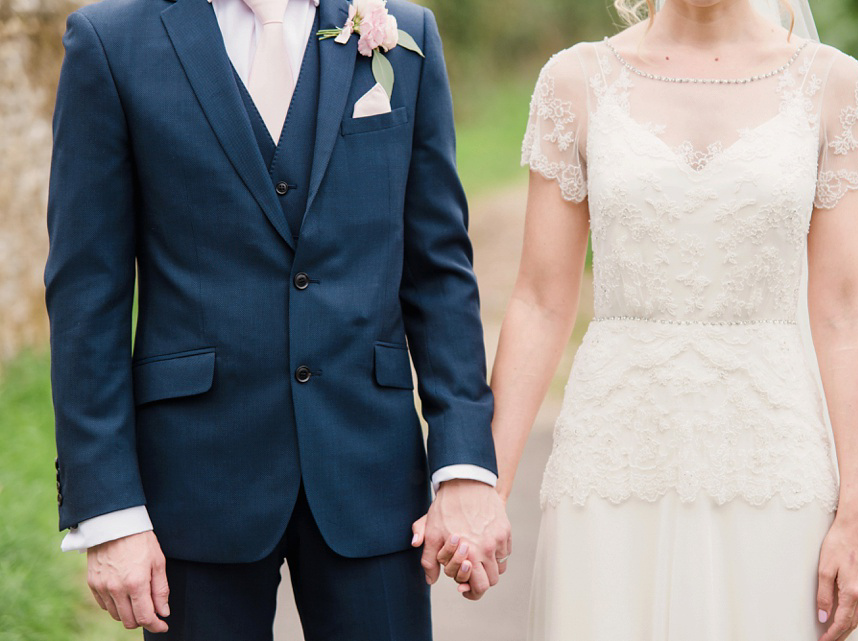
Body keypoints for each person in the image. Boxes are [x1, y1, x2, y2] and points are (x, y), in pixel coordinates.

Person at [437, 0, 858, 639]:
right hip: (613, 463)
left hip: (773, 466)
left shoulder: (833, 85)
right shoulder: (574, 82)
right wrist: (489, 487)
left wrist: (857, 513)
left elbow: (847, 310)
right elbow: (541, 301)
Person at [44, 0, 510, 637]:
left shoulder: (405, 32)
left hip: (370, 478)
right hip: (192, 488)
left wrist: (463, 464)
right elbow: (85, 295)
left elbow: (438, 270)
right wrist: (109, 512)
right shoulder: (111, 39)